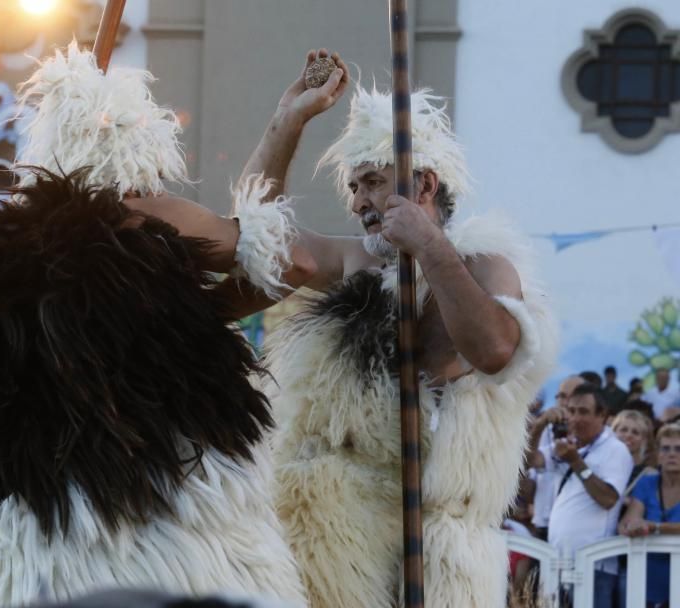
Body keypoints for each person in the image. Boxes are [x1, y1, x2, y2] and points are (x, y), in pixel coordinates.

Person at [0, 43, 309, 607]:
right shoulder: (147, 229)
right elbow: (286, 260)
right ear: (132, 164)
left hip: (47, 545)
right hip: (178, 533)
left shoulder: (9, 285)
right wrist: (283, 131)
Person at [243, 50, 558, 607]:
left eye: (372, 182)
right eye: (355, 188)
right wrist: (287, 121)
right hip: (337, 538)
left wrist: (429, 247)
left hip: (438, 554)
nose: (360, 202)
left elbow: (493, 350)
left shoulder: (486, 264)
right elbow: (258, 238)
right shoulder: (357, 261)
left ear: (425, 184)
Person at [529, 384, 633, 608]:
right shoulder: (566, 446)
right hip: (558, 561)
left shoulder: (616, 450)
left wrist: (576, 462)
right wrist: (539, 426)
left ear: (602, 415)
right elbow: (528, 461)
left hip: (595, 567)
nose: (575, 418)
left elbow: (607, 499)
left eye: (584, 412)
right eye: (572, 411)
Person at [618, 423, 680, 608]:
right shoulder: (647, 483)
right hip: (648, 575)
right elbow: (628, 523)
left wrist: (655, 527)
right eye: (665, 448)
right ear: (658, 455)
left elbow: (648, 524)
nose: (671, 454)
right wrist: (632, 526)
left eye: (678, 448)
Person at [528, 375, 585, 540]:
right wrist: (539, 425)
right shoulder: (544, 428)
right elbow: (531, 462)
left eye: (571, 396)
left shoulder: (592, 436)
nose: (564, 401)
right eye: (561, 395)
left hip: (575, 530)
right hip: (542, 525)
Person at [612, 409, 657, 497]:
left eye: (635, 433)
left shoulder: (649, 475)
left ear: (644, 440)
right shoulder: (601, 464)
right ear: (613, 433)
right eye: (623, 430)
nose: (629, 435)